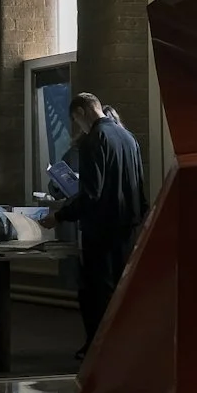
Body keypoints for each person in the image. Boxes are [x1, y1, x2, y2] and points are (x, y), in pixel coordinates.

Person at [43, 92, 145, 358]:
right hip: (127, 227)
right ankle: (123, 345)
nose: (79, 127)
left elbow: (92, 194)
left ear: (81, 113)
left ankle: (98, 348)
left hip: (100, 229)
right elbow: (139, 186)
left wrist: (60, 215)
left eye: (77, 121)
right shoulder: (129, 138)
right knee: (122, 289)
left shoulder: (93, 141)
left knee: (95, 292)